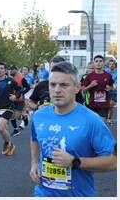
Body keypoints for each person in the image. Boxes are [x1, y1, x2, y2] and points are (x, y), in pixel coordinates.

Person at [30, 61, 117, 197]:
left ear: (77, 88)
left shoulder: (91, 120)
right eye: (53, 84)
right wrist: (34, 163)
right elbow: (34, 138)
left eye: (64, 85)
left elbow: (113, 161)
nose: (57, 90)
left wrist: (74, 162)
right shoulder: (39, 116)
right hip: (43, 193)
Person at [0, 62, 22, 155]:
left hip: (9, 107)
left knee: (0, 127)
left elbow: (19, 89)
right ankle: (9, 144)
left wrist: (15, 96)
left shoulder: (10, 81)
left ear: (5, 70)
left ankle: (8, 143)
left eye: (2, 68)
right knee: (4, 130)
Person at [82, 55, 114, 121]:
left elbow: (112, 86)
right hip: (92, 105)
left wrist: (110, 88)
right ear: (94, 63)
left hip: (104, 105)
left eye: (100, 61)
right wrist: (91, 85)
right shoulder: (89, 76)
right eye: (96, 61)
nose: (98, 63)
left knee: (101, 123)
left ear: (103, 63)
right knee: (92, 125)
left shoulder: (108, 75)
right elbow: (83, 90)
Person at [9, 65, 30, 136]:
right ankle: (16, 130)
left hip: (20, 100)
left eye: (12, 70)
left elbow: (28, 87)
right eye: (10, 70)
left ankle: (24, 118)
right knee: (12, 114)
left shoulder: (21, 78)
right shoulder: (9, 78)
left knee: (18, 117)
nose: (10, 71)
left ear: (16, 70)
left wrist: (22, 93)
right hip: (11, 99)